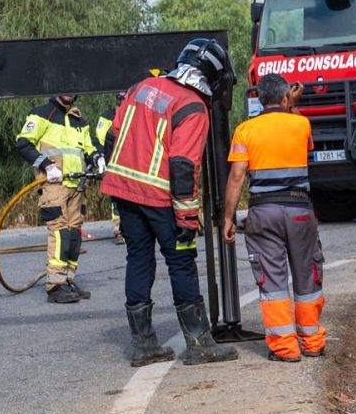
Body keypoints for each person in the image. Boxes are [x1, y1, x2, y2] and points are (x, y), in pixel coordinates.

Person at [100, 38, 239, 367]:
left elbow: (112, 137)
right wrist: (188, 221)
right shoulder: (192, 106)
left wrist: (119, 180)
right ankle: (199, 343)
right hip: (161, 197)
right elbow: (182, 165)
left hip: (124, 192)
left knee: (138, 259)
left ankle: (143, 345)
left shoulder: (141, 87)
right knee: (181, 262)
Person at [222, 74, 325, 362]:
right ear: (284, 98)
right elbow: (304, 145)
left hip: (263, 213)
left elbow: (237, 176)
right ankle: (313, 342)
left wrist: (228, 218)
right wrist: (293, 106)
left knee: (273, 281)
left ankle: (285, 348)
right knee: (307, 275)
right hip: (300, 212)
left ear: (258, 98)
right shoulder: (301, 123)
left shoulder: (245, 130)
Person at [15, 93, 93, 302]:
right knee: (60, 234)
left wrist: (97, 157)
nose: (69, 92)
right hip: (53, 185)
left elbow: (88, 148)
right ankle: (55, 286)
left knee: (74, 234)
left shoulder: (79, 120)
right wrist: (46, 165)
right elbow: (23, 144)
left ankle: (67, 279)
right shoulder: (41, 114)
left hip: (77, 186)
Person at [91, 90, 129, 244]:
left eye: (124, 98)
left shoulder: (135, 113)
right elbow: (100, 139)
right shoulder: (108, 116)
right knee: (116, 196)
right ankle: (118, 227)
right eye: (120, 98)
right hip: (113, 160)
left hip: (130, 161)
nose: (122, 101)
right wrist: (101, 158)